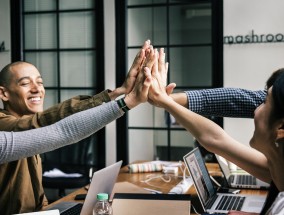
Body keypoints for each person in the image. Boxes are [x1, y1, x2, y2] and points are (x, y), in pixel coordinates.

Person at [0, 40, 152, 214]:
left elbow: (36, 196)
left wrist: (51, 210)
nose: (37, 89)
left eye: (40, 82)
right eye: (25, 83)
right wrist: (120, 95)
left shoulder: (31, 129)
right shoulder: (5, 125)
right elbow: (48, 123)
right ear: (4, 93)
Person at [145, 49, 284, 215]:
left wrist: (164, 100)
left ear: (280, 129)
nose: (255, 109)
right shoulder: (278, 171)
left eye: (264, 102)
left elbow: (216, 138)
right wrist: (165, 101)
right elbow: (215, 139)